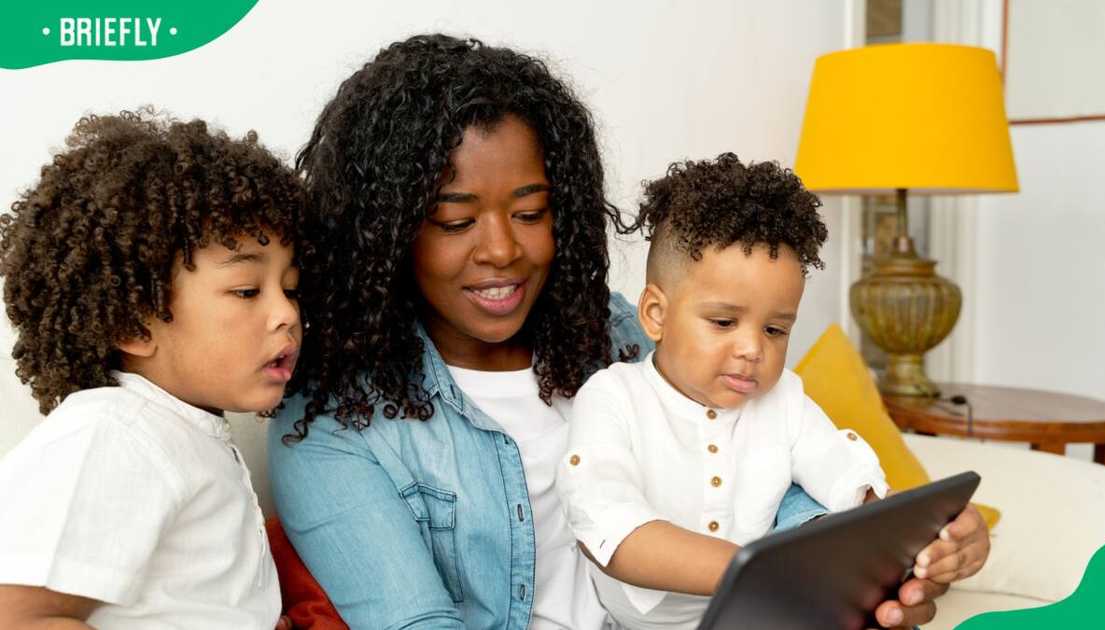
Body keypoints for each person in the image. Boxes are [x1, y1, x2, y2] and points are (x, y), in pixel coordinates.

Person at [269, 33, 983, 630]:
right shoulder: (332, 419)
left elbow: (767, 466)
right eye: (455, 220)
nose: (501, 250)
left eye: (529, 211)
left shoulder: (618, 334)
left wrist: (891, 556)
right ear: (385, 231)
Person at [556, 154, 989, 629]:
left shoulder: (783, 399)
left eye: (776, 330)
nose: (752, 349)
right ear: (656, 314)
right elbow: (613, 531)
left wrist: (931, 537)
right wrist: (762, 572)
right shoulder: (613, 397)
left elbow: (848, 484)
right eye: (723, 322)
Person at [0, 109, 304, 629]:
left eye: (291, 289)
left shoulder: (183, 433)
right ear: (135, 323)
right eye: (247, 291)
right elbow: (18, 616)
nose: (288, 314)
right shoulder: (113, 433)